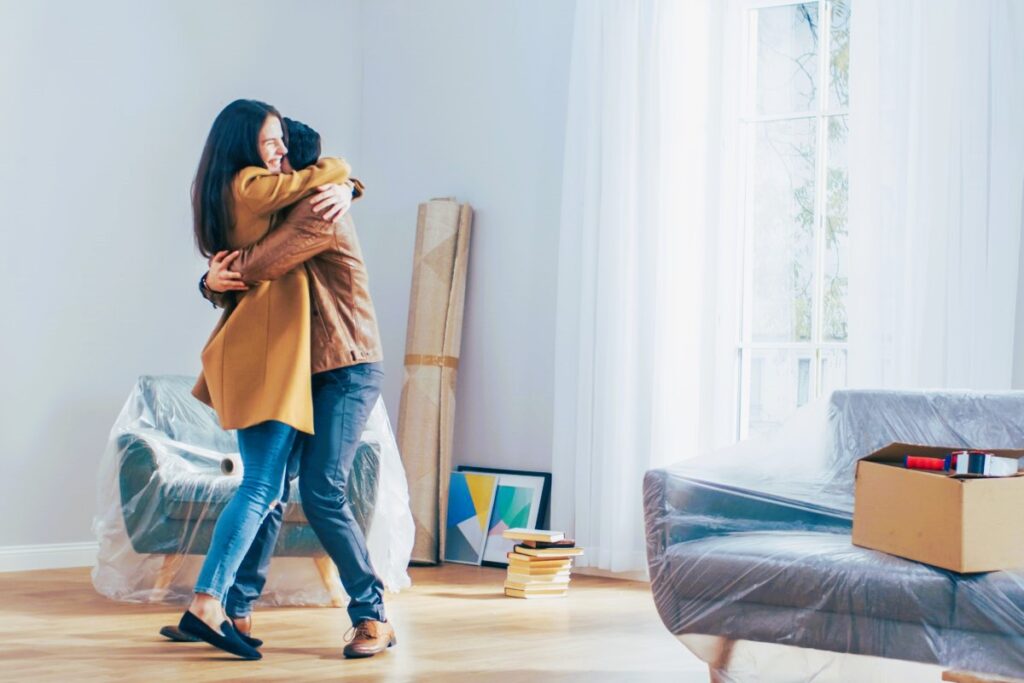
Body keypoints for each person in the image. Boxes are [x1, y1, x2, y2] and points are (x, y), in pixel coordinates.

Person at [185, 116, 396, 659]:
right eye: (265, 154)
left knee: (323, 490)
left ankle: (372, 616)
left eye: (278, 159)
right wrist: (210, 280)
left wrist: (217, 274)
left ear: (296, 170)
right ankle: (236, 608)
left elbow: (260, 265)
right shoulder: (287, 208)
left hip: (347, 366)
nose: (270, 166)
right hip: (305, 367)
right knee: (271, 489)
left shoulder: (317, 211)